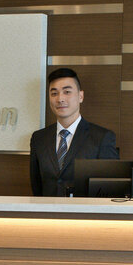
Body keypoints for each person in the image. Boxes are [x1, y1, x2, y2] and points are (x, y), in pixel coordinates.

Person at [30, 68, 119, 197]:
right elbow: (37, 186)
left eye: (67, 92)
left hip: (85, 209)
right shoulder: (39, 138)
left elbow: (112, 188)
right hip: (48, 209)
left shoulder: (102, 137)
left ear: (80, 96)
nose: (60, 99)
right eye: (54, 93)